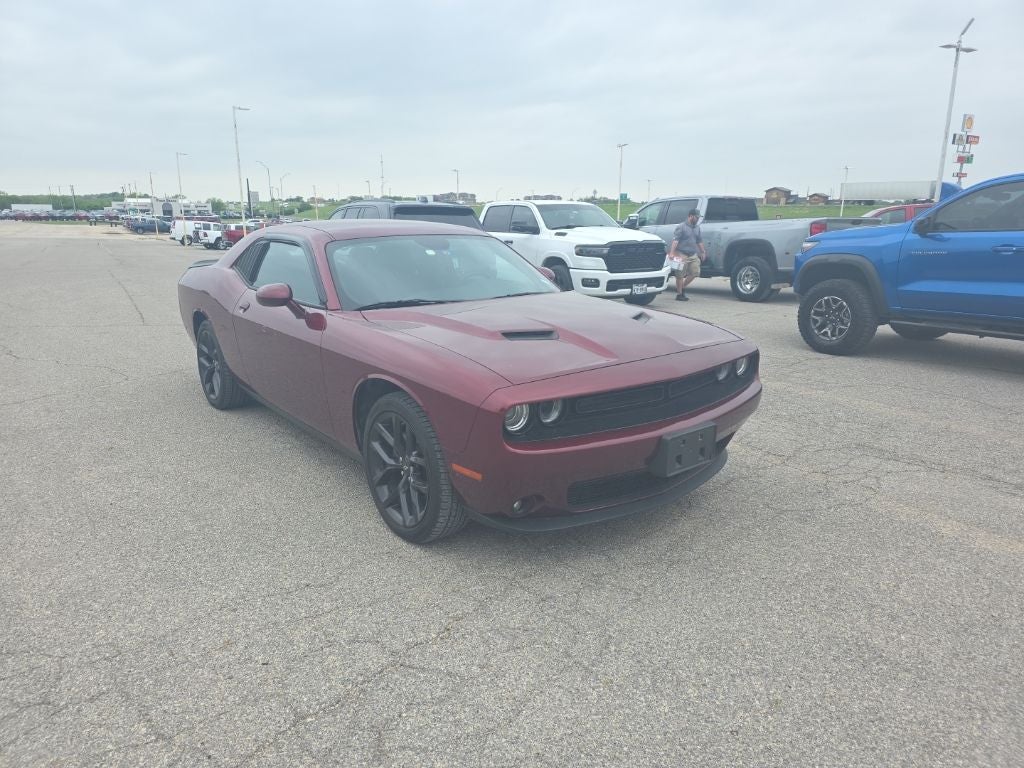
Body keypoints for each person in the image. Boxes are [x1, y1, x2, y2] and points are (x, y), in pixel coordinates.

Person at [667, 208, 706, 301]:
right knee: (680, 275)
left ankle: (682, 287)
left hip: (693, 254)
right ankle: (679, 294)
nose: (698, 219)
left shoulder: (697, 227)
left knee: (695, 272)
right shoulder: (681, 226)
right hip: (681, 254)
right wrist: (672, 253)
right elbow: (675, 241)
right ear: (690, 216)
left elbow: (699, 241)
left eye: (698, 217)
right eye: (696, 217)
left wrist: (703, 251)